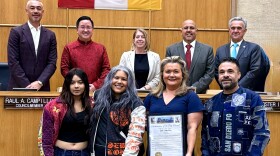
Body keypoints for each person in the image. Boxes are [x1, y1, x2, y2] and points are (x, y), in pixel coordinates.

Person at [201, 57, 270, 156]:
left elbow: (262, 133)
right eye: (222, 72)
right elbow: (205, 135)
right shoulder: (211, 102)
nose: (225, 75)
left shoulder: (252, 98)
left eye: (230, 71)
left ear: (239, 75)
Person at [144, 56, 204, 156]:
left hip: (181, 152)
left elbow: (192, 128)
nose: (172, 75)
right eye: (168, 71)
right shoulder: (152, 96)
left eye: (176, 71)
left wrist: (189, 153)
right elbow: (142, 124)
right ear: (162, 75)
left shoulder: (191, 96)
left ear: (183, 75)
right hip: (156, 151)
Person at [89, 65, 146, 156]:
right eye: (116, 78)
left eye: (124, 79)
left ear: (129, 82)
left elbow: (135, 136)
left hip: (124, 153)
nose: (119, 82)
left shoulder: (136, 104)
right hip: (98, 151)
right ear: (110, 79)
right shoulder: (98, 96)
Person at [38, 68, 92, 156]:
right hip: (61, 153)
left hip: (85, 153)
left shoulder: (93, 105)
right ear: (67, 85)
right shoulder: (52, 106)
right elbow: (46, 139)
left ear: (85, 84)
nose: (76, 86)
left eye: (80, 82)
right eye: (72, 83)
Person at [7, 0, 57, 91]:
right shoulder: (16, 32)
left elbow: (52, 63)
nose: (35, 11)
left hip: (42, 87)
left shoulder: (50, 35)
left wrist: (39, 82)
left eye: (39, 8)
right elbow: (13, 61)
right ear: (26, 11)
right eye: (32, 8)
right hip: (19, 87)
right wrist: (29, 86)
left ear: (42, 12)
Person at [214, 16, 269, 92]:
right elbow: (216, 71)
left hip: (247, 92)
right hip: (226, 92)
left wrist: (237, 88)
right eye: (233, 28)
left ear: (245, 30)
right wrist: (227, 86)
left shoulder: (254, 48)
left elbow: (255, 71)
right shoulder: (220, 50)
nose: (235, 31)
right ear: (229, 30)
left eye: (239, 28)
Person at [61, 16, 110, 92]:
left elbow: (106, 70)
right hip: (74, 90)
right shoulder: (69, 48)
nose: (86, 30)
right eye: (82, 27)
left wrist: (95, 85)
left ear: (92, 30)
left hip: (96, 91)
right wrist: (76, 83)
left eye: (88, 27)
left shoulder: (101, 48)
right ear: (77, 29)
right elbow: (64, 69)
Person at [166, 19, 214, 94]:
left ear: (196, 31)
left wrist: (194, 88)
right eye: (186, 28)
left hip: (200, 94)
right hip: (176, 93)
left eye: (192, 28)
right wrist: (181, 88)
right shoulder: (171, 50)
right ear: (181, 31)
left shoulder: (207, 50)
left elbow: (210, 74)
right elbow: (168, 72)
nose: (189, 30)